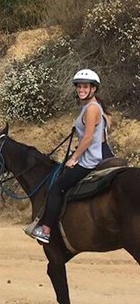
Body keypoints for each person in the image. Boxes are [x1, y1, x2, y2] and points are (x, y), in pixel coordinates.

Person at [29, 69, 111, 244]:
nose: (81, 90)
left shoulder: (91, 109)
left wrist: (75, 157)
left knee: (57, 188)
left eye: (85, 87)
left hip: (89, 160)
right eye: (79, 87)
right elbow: (101, 133)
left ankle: (46, 230)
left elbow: (88, 137)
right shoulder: (96, 108)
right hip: (97, 155)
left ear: (93, 89)